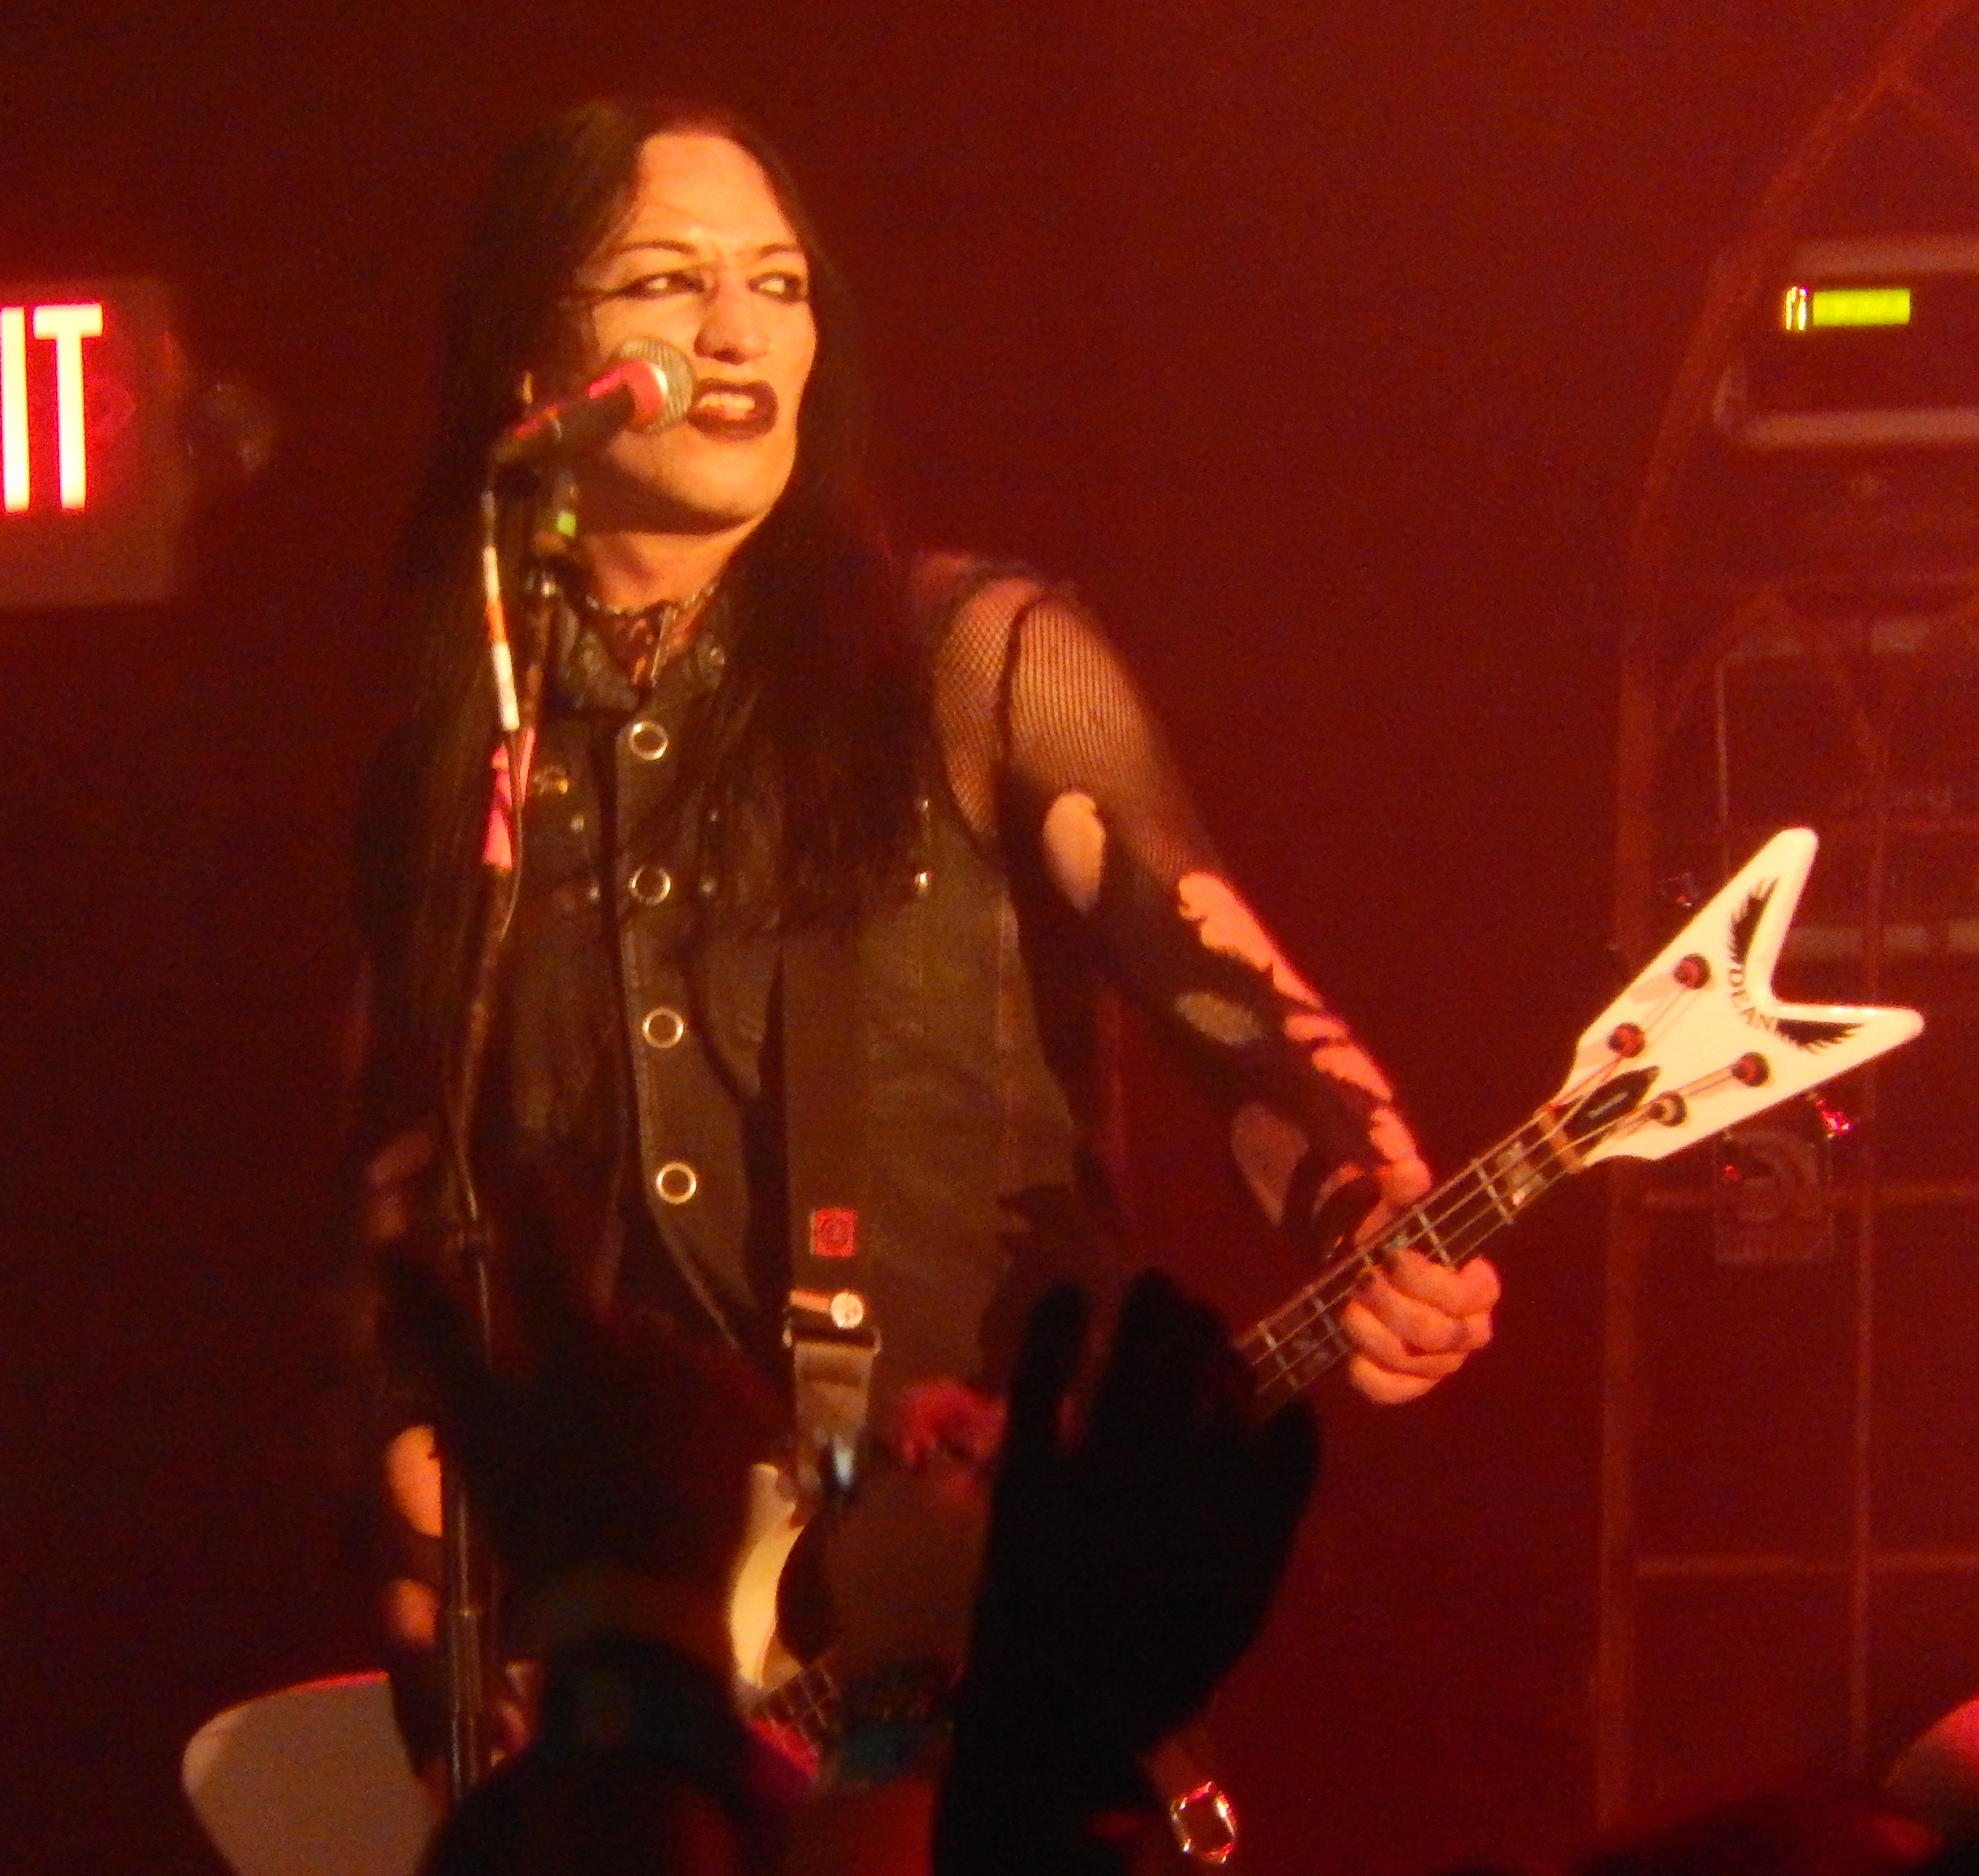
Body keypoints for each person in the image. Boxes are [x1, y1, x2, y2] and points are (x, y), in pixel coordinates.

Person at [349, 94, 1501, 1800]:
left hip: (980, 1665)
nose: (738, 331)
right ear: (535, 356)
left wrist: (1376, 1201)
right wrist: (443, 1637)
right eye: (666, 282)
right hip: (665, 1713)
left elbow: (1234, 1005)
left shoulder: (971, 658)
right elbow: (398, 1243)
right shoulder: (474, 764)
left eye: (779, 283)